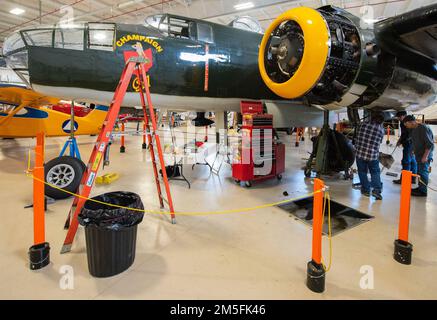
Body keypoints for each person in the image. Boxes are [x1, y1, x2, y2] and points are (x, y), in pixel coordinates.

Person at [354, 112, 385, 200]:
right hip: (372, 155)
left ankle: (366, 190)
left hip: (360, 153)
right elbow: (380, 141)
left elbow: (357, 136)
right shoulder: (381, 130)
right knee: (375, 172)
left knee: (362, 171)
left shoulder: (363, 125)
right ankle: (376, 190)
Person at [403, 115, 434, 197]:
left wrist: (425, 156)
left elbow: (429, 144)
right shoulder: (413, 129)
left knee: (423, 172)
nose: (406, 126)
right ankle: (420, 187)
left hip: (424, 155)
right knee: (420, 171)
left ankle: (423, 191)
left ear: (411, 122)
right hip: (418, 154)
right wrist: (413, 150)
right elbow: (415, 140)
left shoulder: (423, 128)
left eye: (406, 124)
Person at [393, 111, 417, 184]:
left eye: (400, 117)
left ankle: (404, 180)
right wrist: (400, 140)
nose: (399, 119)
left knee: (406, 162)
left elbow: (408, 135)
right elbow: (404, 134)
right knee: (413, 161)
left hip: (409, 144)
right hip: (411, 144)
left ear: (404, 116)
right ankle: (413, 178)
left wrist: (402, 141)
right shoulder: (404, 122)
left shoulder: (407, 122)